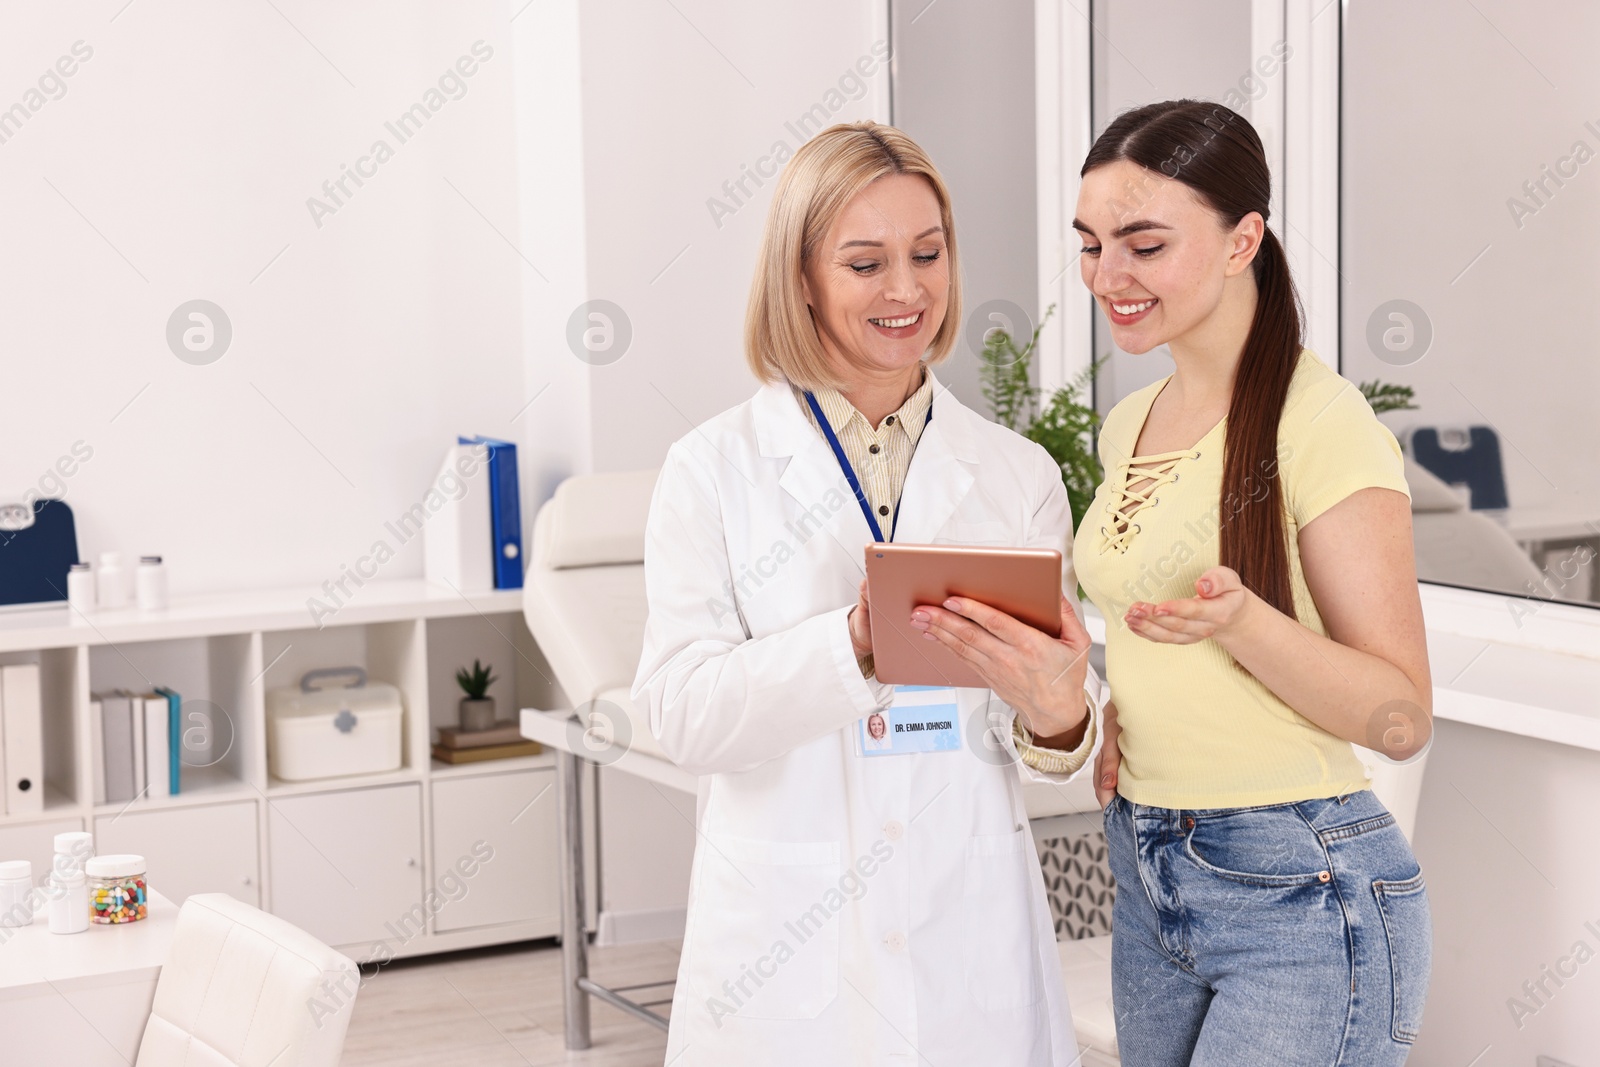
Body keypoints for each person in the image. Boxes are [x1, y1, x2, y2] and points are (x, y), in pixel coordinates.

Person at [914, 100, 1433, 1065]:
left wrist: (1243, 624)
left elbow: (1400, 715)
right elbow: (1150, 643)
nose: (1107, 277)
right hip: (1148, 864)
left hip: (1299, 886)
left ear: (1244, 241)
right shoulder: (1132, 422)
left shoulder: (1322, 425)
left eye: (1144, 244)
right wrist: (1117, 715)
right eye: (1090, 244)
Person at [632, 120, 1107, 1065]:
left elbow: (1049, 732)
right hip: (789, 938)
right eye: (865, 263)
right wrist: (853, 646)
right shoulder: (712, 470)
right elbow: (679, 715)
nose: (907, 290)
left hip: (963, 925)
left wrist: (1062, 715)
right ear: (800, 276)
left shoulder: (1015, 476)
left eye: (927, 254)